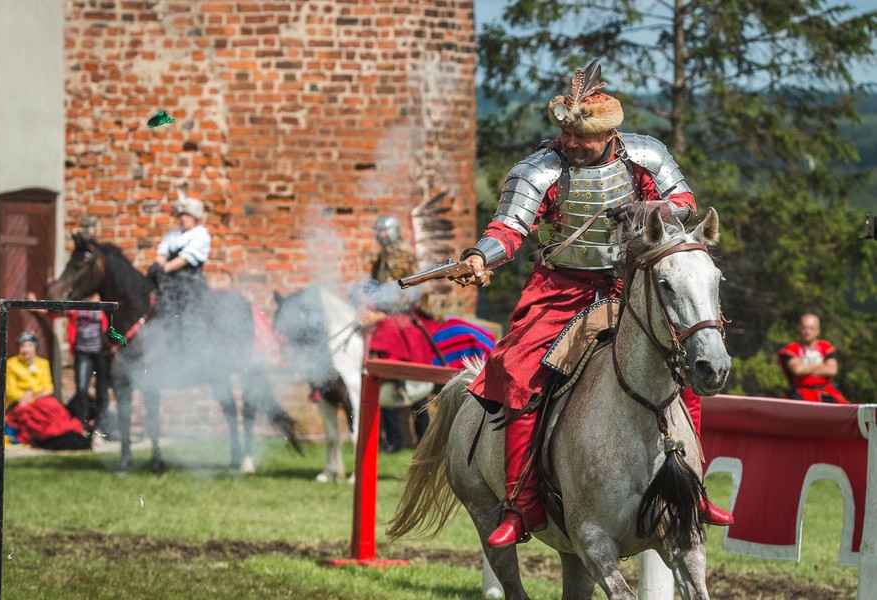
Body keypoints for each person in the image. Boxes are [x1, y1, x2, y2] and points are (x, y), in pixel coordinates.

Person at [454, 58, 734, 549]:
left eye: (580, 138)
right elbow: (510, 227)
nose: (570, 143)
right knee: (519, 373)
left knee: (682, 363)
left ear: (607, 135)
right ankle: (523, 505)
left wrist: (647, 207)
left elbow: (686, 205)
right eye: (565, 134)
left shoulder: (645, 157)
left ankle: (693, 487)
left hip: (630, 288)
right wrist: (482, 255)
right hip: (560, 291)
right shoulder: (540, 169)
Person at [359, 215, 433, 452]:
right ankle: (393, 440)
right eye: (377, 231)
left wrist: (382, 311)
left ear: (393, 231)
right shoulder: (381, 256)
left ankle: (421, 436)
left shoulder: (402, 253)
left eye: (384, 231)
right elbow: (374, 286)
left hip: (400, 315)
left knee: (394, 341)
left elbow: (405, 290)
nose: (381, 235)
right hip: (382, 314)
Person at [27, 291, 114, 435]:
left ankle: (101, 426)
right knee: (81, 389)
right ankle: (82, 426)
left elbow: (113, 323)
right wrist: (35, 304)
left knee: (102, 391)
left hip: (101, 354)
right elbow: (53, 313)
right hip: (83, 353)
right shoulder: (77, 304)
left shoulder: (102, 300)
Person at [0, 331, 90, 450]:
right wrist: (33, 395)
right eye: (22, 346)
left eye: (29, 346)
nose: (25, 350)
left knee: (57, 410)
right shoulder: (11, 364)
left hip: (41, 401)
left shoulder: (43, 363)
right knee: (35, 416)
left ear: (35, 348)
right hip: (21, 403)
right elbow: (10, 391)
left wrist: (31, 393)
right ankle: (47, 436)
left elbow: (49, 388)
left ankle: (63, 433)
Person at [151, 194, 212, 320]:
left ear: (195, 217)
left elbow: (184, 259)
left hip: (190, 283)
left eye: (187, 215)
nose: (183, 218)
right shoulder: (173, 234)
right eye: (182, 215)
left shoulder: (201, 234)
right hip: (168, 281)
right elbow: (162, 254)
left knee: (190, 315)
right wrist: (156, 266)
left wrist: (164, 269)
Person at [778, 313, 848, 404]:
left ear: (817, 330)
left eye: (811, 328)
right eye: (804, 328)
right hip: (800, 393)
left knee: (842, 411)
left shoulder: (826, 347)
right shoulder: (791, 349)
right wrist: (822, 366)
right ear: (799, 328)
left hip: (825, 391)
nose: (807, 331)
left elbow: (832, 370)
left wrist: (806, 369)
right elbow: (798, 370)